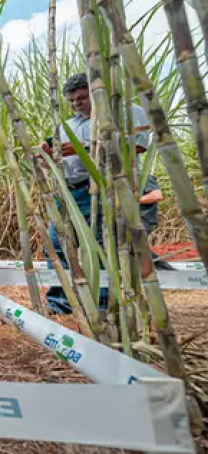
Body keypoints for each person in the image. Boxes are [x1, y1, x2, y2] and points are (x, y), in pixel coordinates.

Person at [39, 72, 164, 312]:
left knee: (100, 246)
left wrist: (83, 148)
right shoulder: (69, 125)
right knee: (57, 245)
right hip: (66, 193)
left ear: (96, 95)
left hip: (97, 191)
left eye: (82, 98)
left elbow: (137, 145)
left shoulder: (122, 113)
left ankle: (105, 305)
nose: (77, 104)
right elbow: (61, 158)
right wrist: (48, 157)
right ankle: (61, 304)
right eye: (72, 100)